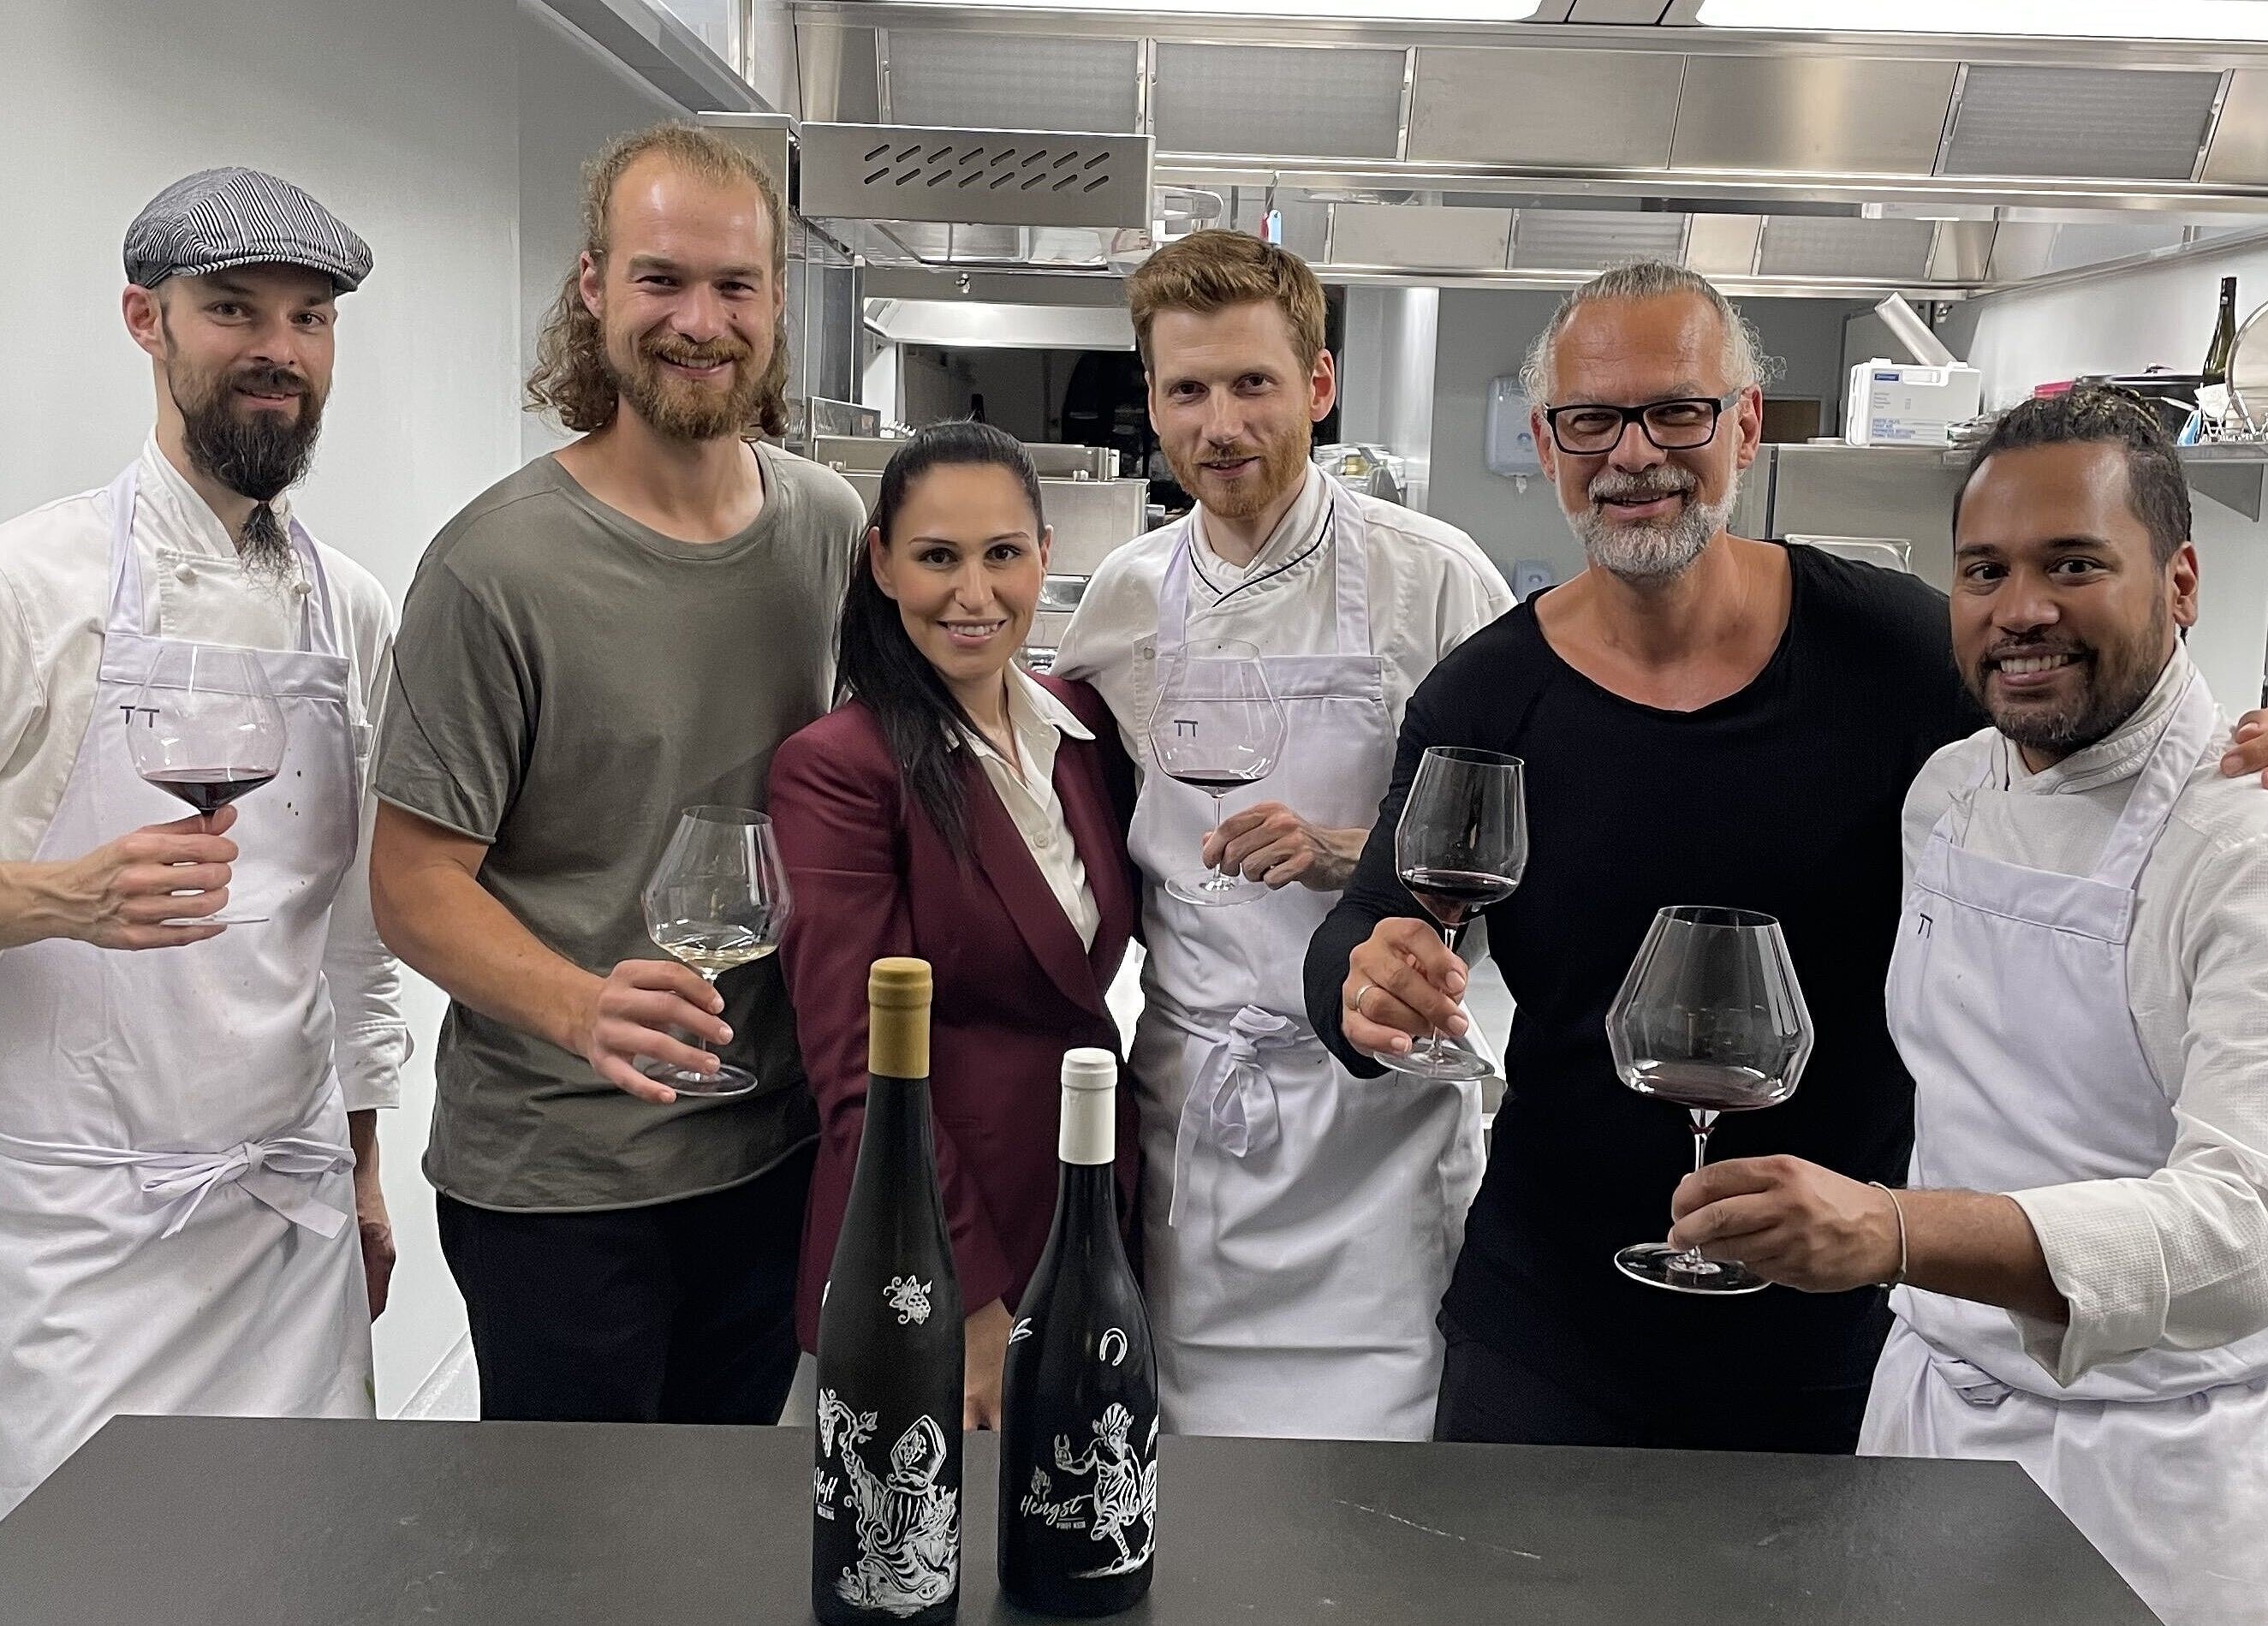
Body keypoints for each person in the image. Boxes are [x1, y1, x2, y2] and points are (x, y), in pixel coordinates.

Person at [1309, 261, 2268, 1454]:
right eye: (1591, 419)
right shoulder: (1486, 692)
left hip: (1849, 1332)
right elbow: (1368, 920)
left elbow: (2092, 724)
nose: (1634, 454)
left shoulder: (1900, 652)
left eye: (1678, 411)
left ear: (1746, 425)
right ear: (1548, 441)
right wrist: (1365, 979)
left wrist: (2240, 745)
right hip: (1550, 1324)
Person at [1664, 390, 2268, 1626]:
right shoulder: (1947, 790)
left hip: (2154, 1465)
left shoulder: (2243, 840)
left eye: (2074, 564)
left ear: (2181, 582)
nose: (2021, 608)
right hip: (1928, 1419)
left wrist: (1896, 1230)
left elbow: (2245, 1226)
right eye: (1985, 570)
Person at [367, 124, 865, 1425]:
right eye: (661, 280)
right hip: (562, 1182)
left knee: (723, 1520)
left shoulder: (827, 527)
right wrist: (584, 1007)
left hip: (770, 1151)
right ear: (593, 287)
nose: (699, 322)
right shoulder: (495, 570)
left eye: (734, 285)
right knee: (570, 1535)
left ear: (776, 300)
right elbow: (412, 885)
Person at [1051, 230, 1514, 1440]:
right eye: (1187, 390)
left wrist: (1351, 853)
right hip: (1200, 1108)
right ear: (1152, 399)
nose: (1220, 426)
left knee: (1383, 1475)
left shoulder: (1435, 579)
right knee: (1184, 1460)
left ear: (1317, 384)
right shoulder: (1127, 596)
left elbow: (1520, 837)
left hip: (1380, 1118)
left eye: (1252, 383)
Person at [0, 169, 408, 1514]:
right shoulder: (33, 584)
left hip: (288, 1214)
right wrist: (57, 897)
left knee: (303, 1555)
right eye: (234, 309)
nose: (277, 349)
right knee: (85, 1569)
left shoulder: (350, 607)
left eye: (309, 318)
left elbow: (352, 935)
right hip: (78, 1227)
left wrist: (361, 1167)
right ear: (147, 320)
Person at [768, 422, 1139, 1429]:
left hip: (1078, 1221)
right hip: (923, 1252)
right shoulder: (839, 768)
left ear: (1045, 557)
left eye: (1002, 554)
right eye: (938, 557)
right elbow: (861, 1071)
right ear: (883, 563)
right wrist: (965, 1302)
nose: (974, 594)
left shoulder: (1080, 728)